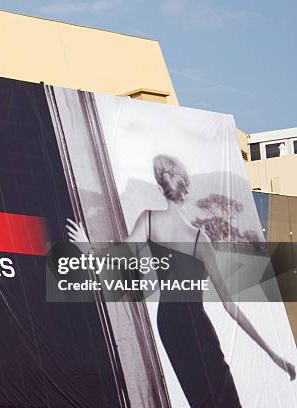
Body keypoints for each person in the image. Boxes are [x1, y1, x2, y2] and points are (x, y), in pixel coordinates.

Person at [66, 154, 295, 407]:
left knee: (198, 397)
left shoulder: (149, 220)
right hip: (195, 324)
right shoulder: (200, 240)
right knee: (222, 394)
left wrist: (86, 247)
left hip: (168, 322)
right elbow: (230, 306)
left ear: (162, 187)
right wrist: (273, 355)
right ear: (186, 189)